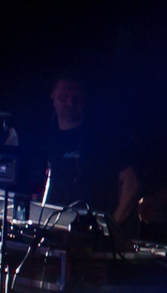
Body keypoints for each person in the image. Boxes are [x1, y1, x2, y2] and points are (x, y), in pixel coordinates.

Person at [30, 74, 140, 222]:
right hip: (51, 224)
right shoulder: (45, 138)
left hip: (90, 228)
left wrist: (112, 226)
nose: (70, 103)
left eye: (76, 97)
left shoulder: (104, 138)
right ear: (53, 97)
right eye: (64, 97)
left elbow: (132, 183)